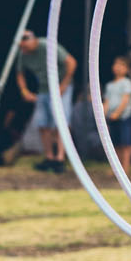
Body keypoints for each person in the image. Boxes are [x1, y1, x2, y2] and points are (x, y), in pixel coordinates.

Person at [16, 30, 77, 173]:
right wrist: (24, 90)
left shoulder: (46, 46)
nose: (23, 48)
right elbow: (20, 73)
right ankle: (49, 158)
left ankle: (60, 159)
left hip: (61, 87)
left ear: (34, 39)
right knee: (43, 124)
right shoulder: (23, 52)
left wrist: (64, 85)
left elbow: (71, 62)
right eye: (21, 45)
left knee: (60, 123)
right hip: (43, 90)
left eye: (25, 43)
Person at [104, 55, 131, 176]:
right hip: (112, 118)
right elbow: (106, 102)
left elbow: (125, 100)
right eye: (116, 64)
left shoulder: (126, 83)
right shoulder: (109, 85)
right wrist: (104, 115)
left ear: (127, 69)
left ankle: (125, 169)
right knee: (115, 144)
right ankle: (116, 169)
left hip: (124, 118)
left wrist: (117, 113)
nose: (118, 67)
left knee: (125, 144)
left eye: (122, 65)